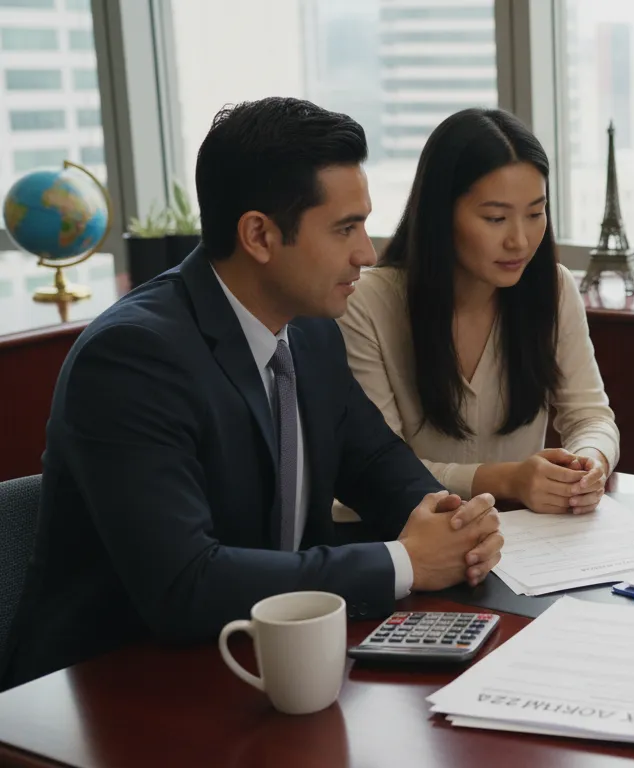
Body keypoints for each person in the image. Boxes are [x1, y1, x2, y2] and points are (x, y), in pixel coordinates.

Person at [2, 98, 503, 689]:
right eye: (345, 228)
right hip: (110, 686)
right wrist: (407, 561)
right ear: (259, 235)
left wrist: (443, 518)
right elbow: (184, 584)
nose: (367, 252)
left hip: (262, 661)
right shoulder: (133, 359)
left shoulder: (310, 329)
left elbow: (370, 457)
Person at [336, 108, 619, 517]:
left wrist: (589, 462)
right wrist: (507, 480)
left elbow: (591, 416)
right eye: (495, 218)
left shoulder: (553, 289)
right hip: (403, 534)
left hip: (520, 543)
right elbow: (379, 469)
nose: (519, 241)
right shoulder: (366, 304)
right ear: (439, 215)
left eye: (536, 213)